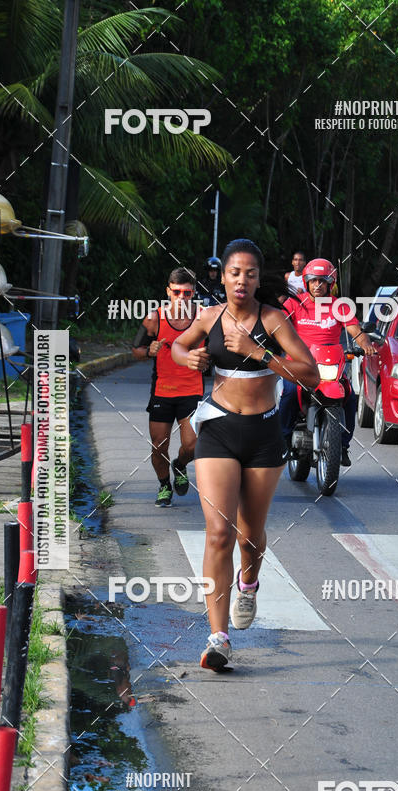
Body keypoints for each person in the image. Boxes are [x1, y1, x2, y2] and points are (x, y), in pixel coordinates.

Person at [171, 238, 319, 671]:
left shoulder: (273, 320)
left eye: (250, 274)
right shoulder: (209, 317)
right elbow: (178, 346)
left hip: (263, 435)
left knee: (249, 537)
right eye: (234, 273)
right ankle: (218, 638)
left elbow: (310, 373)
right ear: (223, 277)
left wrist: (259, 353)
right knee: (219, 533)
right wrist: (189, 358)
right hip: (218, 429)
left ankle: (248, 582)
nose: (241, 280)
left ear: (257, 279)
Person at [279, 257, 375, 467]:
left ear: (331, 283)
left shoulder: (340, 306)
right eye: (313, 280)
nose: (317, 285)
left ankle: (343, 446)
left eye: (322, 281)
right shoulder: (294, 303)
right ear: (307, 282)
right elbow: (278, 324)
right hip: (299, 365)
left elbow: (355, 330)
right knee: (289, 394)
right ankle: (284, 440)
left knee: (349, 398)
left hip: (330, 365)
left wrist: (366, 344)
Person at [132, 267, 204, 507]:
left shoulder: (203, 318)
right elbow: (136, 349)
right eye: (176, 292)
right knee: (158, 446)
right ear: (168, 291)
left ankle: (180, 465)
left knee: (192, 445)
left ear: (193, 292)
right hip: (162, 391)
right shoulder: (154, 318)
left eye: (187, 293)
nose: (181, 298)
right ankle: (164, 485)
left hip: (192, 390)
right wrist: (148, 352)